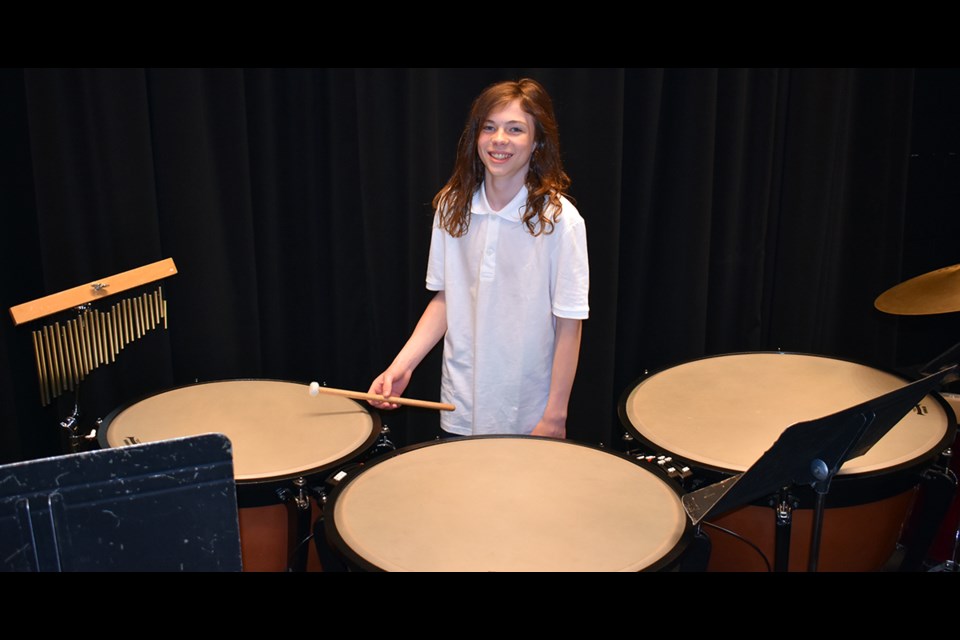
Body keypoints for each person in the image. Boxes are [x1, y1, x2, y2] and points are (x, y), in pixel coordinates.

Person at [368, 78, 589, 439]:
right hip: (461, 403)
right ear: (476, 137)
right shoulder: (452, 206)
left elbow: (569, 324)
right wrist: (401, 368)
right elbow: (446, 299)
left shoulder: (560, 221)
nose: (499, 139)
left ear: (537, 143)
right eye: (489, 127)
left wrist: (555, 415)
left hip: (528, 412)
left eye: (515, 129)